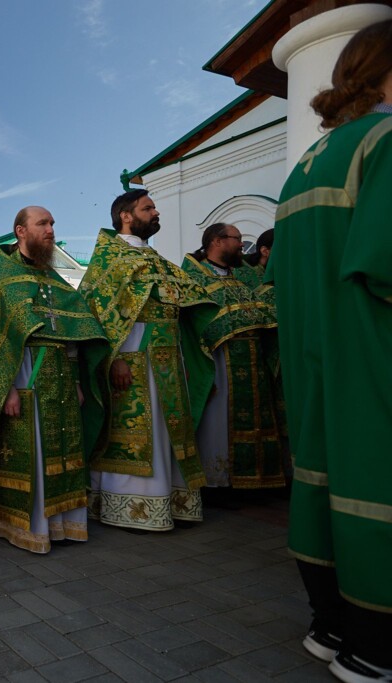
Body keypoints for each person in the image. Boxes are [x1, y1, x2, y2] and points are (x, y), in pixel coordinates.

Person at [270, 19, 392, 680]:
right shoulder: (386, 140)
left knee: (318, 481)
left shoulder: (304, 167)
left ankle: (329, 624)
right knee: (376, 484)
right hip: (369, 355)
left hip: (311, 358)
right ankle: (375, 649)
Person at [0, 207, 107, 552]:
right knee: (29, 451)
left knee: (63, 449)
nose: (51, 229)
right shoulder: (4, 281)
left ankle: (62, 523)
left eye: (52, 223)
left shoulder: (55, 280)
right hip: (24, 379)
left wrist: (79, 383)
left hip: (62, 379)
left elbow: (71, 334)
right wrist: (7, 390)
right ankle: (23, 525)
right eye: (43, 224)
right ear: (21, 231)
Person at [79, 189, 216, 533]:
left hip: (168, 359)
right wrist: (115, 359)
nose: (156, 213)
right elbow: (95, 312)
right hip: (132, 360)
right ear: (126, 216)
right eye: (148, 208)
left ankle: (171, 500)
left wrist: (185, 354)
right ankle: (128, 504)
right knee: (135, 434)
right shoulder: (109, 261)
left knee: (167, 431)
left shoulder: (157, 260)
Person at [182, 224, 283, 498]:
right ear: (217, 241)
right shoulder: (194, 277)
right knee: (219, 422)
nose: (242, 245)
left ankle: (256, 480)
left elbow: (264, 305)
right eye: (237, 239)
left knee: (258, 417)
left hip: (253, 357)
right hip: (218, 359)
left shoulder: (243, 276)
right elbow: (194, 322)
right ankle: (219, 484)